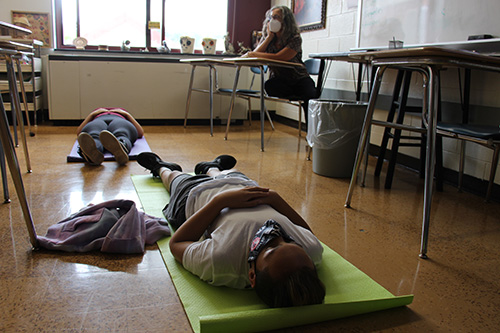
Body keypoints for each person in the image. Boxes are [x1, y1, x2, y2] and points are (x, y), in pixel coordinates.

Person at [137, 152, 325, 307]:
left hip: (197, 197)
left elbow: (176, 243)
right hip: (243, 186)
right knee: (231, 172)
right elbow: (306, 232)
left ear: (252, 275)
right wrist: (275, 199)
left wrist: (221, 201)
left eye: (271, 249)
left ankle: (160, 166)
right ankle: (211, 168)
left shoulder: (221, 263)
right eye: (290, 241)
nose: (276, 235)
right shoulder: (311, 252)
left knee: (175, 178)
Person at [245, 5, 318, 128]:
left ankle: (311, 132)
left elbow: (281, 57)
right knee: (269, 86)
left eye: (276, 17)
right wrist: (268, 38)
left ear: (285, 20)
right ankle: (296, 94)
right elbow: (254, 57)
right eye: (271, 17)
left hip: (299, 78)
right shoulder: (268, 39)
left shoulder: (294, 38)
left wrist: (257, 54)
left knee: (309, 95)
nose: (272, 20)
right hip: (281, 80)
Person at [76, 107, 144, 166]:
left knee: (121, 132)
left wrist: (126, 114)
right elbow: (79, 133)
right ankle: (92, 151)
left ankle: (122, 146)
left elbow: (140, 133)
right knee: (94, 133)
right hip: (98, 120)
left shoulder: (122, 112)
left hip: (119, 119)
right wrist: (92, 114)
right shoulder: (96, 112)